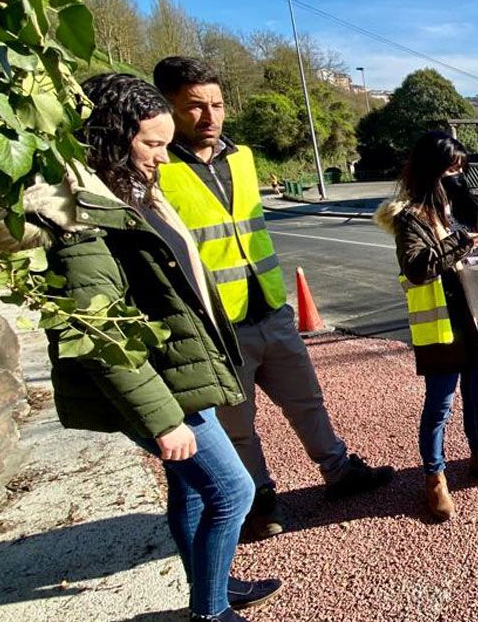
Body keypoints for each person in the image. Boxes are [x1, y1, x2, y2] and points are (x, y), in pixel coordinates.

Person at [0, 72, 281, 621]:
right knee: (234, 493)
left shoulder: (130, 194)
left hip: (180, 373)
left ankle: (209, 585)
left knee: (191, 491)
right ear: (108, 140)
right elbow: (100, 335)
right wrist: (163, 421)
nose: (164, 158)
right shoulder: (81, 217)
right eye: (152, 144)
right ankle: (210, 612)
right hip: (164, 391)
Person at [152, 56, 393, 540]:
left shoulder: (241, 157)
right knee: (237, 423)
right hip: (217, 323)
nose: (210, 117)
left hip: (269, 306)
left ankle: (339, 472)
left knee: (307, 399)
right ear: (169, 109)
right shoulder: (159, 167)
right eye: (195, 107)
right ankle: (260, 499)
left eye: (217, 104)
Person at [375, 132, 478, 520]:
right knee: (440, 406)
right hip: (442, 326)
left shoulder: (472, 208)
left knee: (477, 396)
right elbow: (418, 268)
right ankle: (434, 478)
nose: (457, 173)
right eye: (449, 166)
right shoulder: (410, 216)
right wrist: (461, 242)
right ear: (429, 169)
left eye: (461, 166)